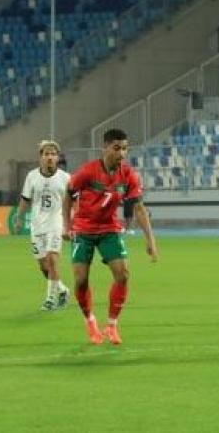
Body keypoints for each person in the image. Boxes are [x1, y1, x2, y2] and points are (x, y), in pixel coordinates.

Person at [62, 128, 158, 345]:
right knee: (80, 280)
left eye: (124, 148)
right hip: (83, 230)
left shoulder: (129, 175)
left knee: (123, 275)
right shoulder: (87, 172)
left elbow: (139, 209)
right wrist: (66, 226)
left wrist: (150, 241)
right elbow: (67, 196)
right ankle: (90, 321)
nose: (121, 153)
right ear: (104, 148)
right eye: (117, 148)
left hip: (109, 229)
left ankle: (112, 325)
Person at [14, 140, 71, 311]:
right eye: (46, 154)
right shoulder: (32, 176)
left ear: (58, 157)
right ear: (41, 157)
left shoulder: (66, 178)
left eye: (53, 154)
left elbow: (73, 203)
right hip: (37, 225)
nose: (50, 157)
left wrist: (70, 225)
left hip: (56, 223)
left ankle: (50, 299)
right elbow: (25, 199)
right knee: (44, 266)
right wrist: (19, 218)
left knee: (53, 260)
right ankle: (63, 290)